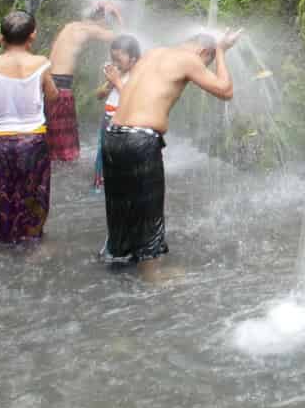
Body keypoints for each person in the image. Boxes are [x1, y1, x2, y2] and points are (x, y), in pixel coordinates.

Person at [100, 29, 240, 264]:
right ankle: (153, 273)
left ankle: (117, 257)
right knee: (149, 212)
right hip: (139, 141)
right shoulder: (189, 59)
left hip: (112, 136)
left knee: (119, 209)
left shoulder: (154, 53)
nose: (203, 67)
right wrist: (222, 52)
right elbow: (225, 91)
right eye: (208, 62)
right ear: (203, 51)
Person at [0, 11, 61, 244]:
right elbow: (53, 96)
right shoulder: (41, 63)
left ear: (1, 36)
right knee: (34, 192)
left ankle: (3, 238)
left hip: (0, 139)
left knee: (2, 191)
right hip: (33, 139)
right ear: (32, 36)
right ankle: (32, 239)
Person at [43, 1, 123, 162]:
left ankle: (52, 160)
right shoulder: (90, 29)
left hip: (48, 79)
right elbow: (122, 39)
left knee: (51, 130)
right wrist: (117, 14)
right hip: (61, 86)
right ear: (100, 20)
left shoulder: (70, 26)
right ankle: (65, 166)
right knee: (65, 137)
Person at [92, 34, 141, 189]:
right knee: (104, 151)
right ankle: (101, 185)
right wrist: (110, 83)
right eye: (113, 59)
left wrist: (117, 81)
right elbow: (99, 95)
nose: (115, 63)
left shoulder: (138, 75)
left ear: (133, 59)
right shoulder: (116, 72)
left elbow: (133, 100)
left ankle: (122, 184)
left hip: (125, 120)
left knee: (123, 155)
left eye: (119, 60)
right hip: (108, 117)